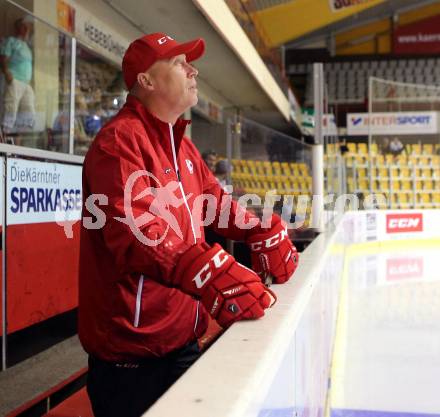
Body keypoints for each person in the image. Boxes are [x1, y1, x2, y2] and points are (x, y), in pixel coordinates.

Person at [79, 32, 299, 417]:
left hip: (183, 340)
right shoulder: (118, 143)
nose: (193, 70)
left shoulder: (183, 147)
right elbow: (138, 231)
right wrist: (204, 270)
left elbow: (218, 203)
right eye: (180, 63)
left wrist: (261, 228)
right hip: (132, 360)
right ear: (146, 80)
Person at [0, 17, 35, 140]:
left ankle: (18, 147)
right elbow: (3, 57)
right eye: (24, 27)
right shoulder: (11, 41)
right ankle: (4, 142)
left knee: (27, 112)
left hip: (26, 83)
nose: (26, 30)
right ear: (18, 27)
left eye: (28, 28)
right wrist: (7, 72)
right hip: (14, 80)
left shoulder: (27, 47)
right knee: (10, 109)